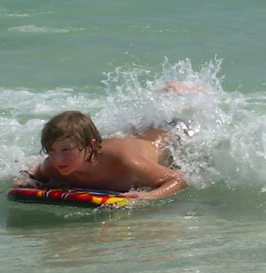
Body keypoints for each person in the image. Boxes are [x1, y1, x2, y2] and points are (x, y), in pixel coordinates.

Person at [13, 81, 200, 200]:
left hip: (170, 133)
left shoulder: (125, 162)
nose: (57, 159)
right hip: (130, 138)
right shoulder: (54, 166)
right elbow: (34, 172)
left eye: (66, 151)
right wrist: (26, 180)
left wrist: (150, 196)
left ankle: (180, 92)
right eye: (51, 150)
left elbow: (179, 179)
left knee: (176, 117)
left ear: (91, 146)